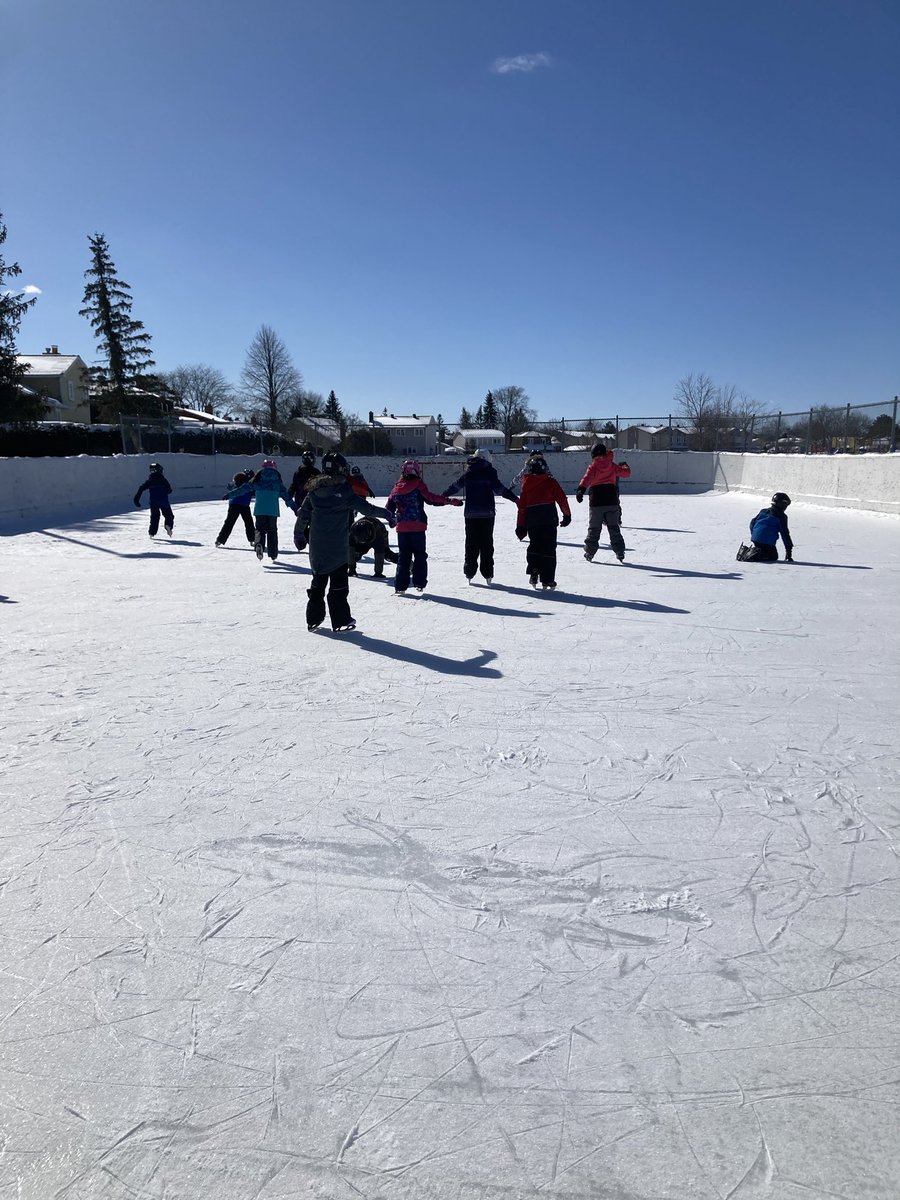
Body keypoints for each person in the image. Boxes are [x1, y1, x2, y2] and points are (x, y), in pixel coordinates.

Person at [298, 451, 394, 631]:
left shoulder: (314, 491)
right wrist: (386, 514)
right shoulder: (344, 491)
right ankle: (341, 620)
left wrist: (298, 534)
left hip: (317, 547)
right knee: (338, 585)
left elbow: (303, 514)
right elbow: (367, 508)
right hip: (338, 549)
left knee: (318, 583)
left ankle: (313, 618)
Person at [385, 459, 462, 594]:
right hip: (417, 527)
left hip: (402, 529)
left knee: (404, 557)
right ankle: (419, 583)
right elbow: (432, 499)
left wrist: (392, 520)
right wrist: (450, 501)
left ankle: (400, 586)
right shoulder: (418, 485)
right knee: (420, 555)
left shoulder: (396, 488)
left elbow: (388, 508)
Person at [442, 449, 518, 585]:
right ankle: (487, 573)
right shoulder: (490, 472)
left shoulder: (469, 472)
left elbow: (455, 486)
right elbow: (500, 489)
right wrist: (516, 500)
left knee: (471, 543)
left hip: (470, 513)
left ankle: (469, 571)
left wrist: (442, 496)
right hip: (487, 513)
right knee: (486, 543)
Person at [515, 455, 571, 589]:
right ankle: (548, 579)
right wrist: (567, 515)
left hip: (532, 520)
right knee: (549, 549)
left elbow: (522, 507)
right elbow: (562, 499)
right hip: (548, 520)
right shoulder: (551, 482)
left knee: (534, 545)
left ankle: (534, 570)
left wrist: (520, 525)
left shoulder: (526, 483)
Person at [226, 459, 296, 562]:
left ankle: (259, 544)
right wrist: (294, 507)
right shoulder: (277, 481)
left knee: (259, 529)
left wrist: (229, 494)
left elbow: (243, 489)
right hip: (273, 510)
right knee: (272, 531)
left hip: (260, 509)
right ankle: (273, 554)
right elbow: (286, 496)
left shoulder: (257, 479)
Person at [575, 442, 632, 562]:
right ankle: (620, 551)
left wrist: (581, 489)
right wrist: (625, 466)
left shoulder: (593, 467)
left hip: (596, 501)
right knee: (613, 527)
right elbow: (626, 473)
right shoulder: (611, 465)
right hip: (611, 500)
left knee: (594, 529)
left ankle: (590, 552)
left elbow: (587, 478)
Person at [737, 493, 795, 562]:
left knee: (763, 549)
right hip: (767, 542)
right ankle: (756, 554)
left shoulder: (763, 511)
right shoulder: (781, 516)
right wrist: (789, 552)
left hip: (756, 539)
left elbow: (752, 522)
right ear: (782, 504)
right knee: (773, 556)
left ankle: (748, 551)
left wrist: (755, 534)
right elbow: (785, 534)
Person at [289, 447, 320, 551]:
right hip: (313, 502)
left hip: (300, 502)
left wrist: (289, 495)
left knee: (302, 521)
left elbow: (293, 486)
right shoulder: (316, 472)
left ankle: (301, 542)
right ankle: (310, 541)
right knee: (312, 522)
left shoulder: (298, 472)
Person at [216, 467, 256, 547]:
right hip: (244, 505)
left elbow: (229, 486)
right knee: (249, 523)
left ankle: (220, 540)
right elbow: (253, 492)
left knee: (229, 523)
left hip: (233, 504)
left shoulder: (236, 484)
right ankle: (252, 539)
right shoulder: (248, 486)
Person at [133, 462, 174, 538]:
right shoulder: (163, 480)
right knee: (169, 515)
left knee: (155, 517)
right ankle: (168, 525)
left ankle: (152, 533)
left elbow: (141, 488)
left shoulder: (150, 481)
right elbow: (169, 490)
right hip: (163, 501)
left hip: (153, 502)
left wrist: (136, 499)